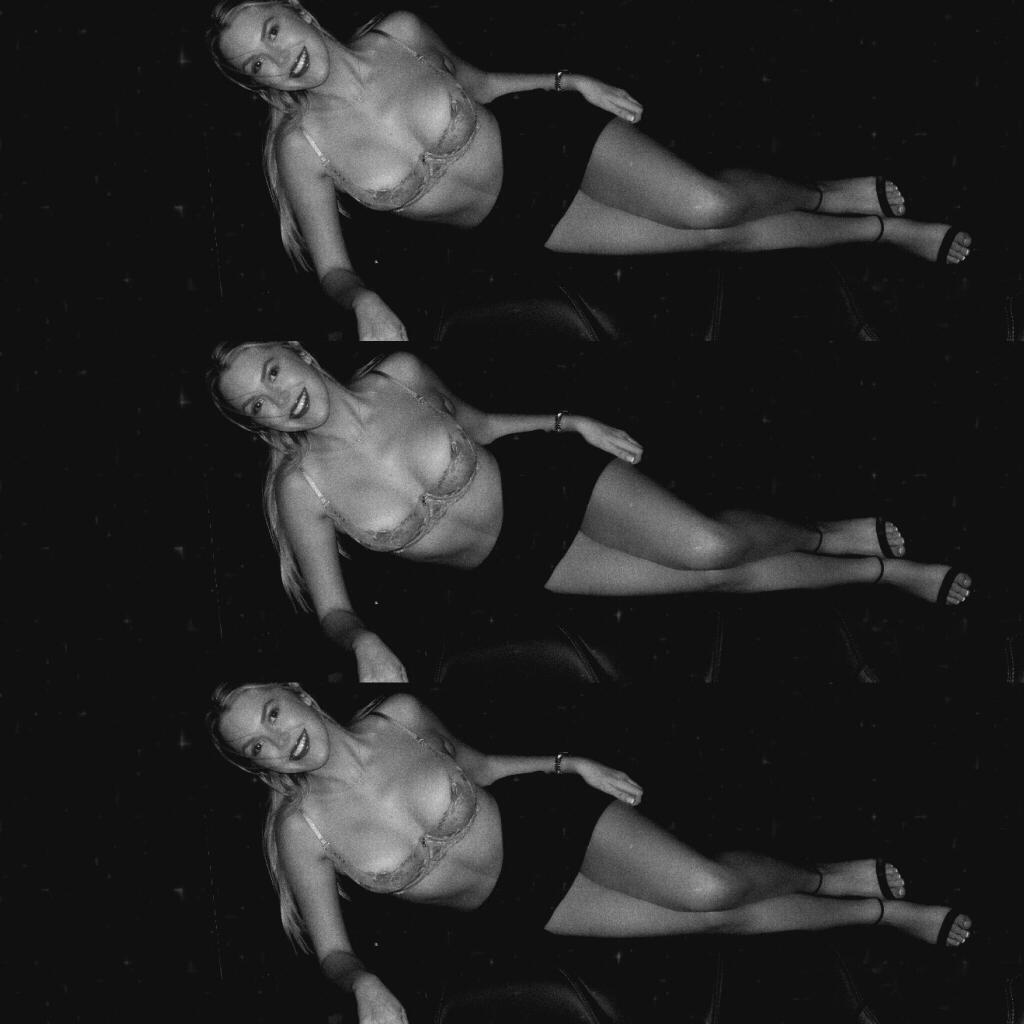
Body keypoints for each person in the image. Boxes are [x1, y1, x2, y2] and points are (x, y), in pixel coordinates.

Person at [208, 341, 972, 682]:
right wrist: (365, 641)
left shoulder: (399, 373)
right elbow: (333, 611)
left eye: (271, 372)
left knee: (709, 547)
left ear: (298, 351)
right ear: (256, 425)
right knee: (715, 581)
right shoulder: (301, 490)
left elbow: (480, 424)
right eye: (256, 405)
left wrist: (566, 422)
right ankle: (878, 574)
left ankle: (826, 534)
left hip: (550, 481)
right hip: (526, 563)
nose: (278, 398)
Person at [208, 682, 973, 1024]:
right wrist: (365, 983)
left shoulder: (400, 715)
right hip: (524, 905)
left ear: (299, 694)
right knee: (714, 922)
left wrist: (566, 763)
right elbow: (332, 953)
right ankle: (880, 915)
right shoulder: (301, 832)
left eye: (272, 714)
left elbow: (481, 766)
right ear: (255, 767)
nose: (278, 740)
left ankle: (825, 875)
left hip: (550, 824)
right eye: (256, 747)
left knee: (710, 890)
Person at [206, 3, 973, 342]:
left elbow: (480, 83)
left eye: (272, 29)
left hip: (552, 143)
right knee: (717, 240)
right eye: (256, 63)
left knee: (710, 206)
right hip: (524, 223)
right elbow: (332, 270)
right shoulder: (302, 149)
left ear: (298, 9)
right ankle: (881, 233)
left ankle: (827, 192)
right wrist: (364, 299)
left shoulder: (399, 33)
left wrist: (567, 81)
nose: (278, 56)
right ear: (253, 83)